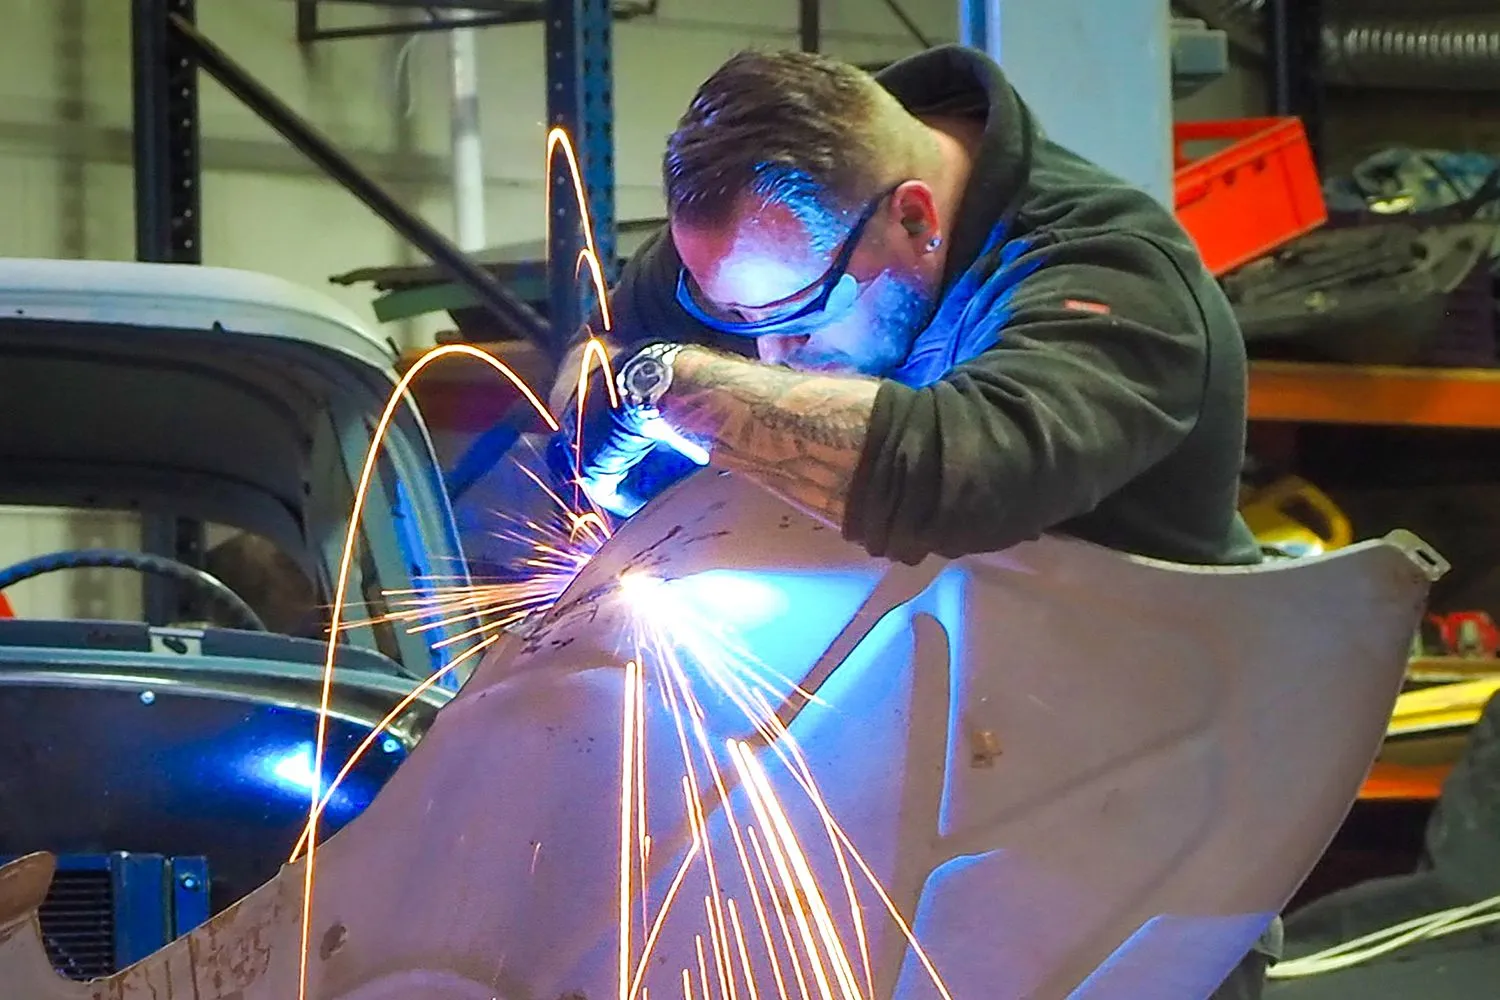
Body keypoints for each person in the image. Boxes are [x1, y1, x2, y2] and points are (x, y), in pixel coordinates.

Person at [557, 44, 1274, 996]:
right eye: (733, 315)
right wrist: (608, 392)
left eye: (803, 314)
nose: (773, 350)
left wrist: (676, 385)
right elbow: (618, 349)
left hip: (1137, 869)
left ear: (915, 220)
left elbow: (958, 470)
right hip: (905, 833)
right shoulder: (787, 220)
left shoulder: (1111, 271)